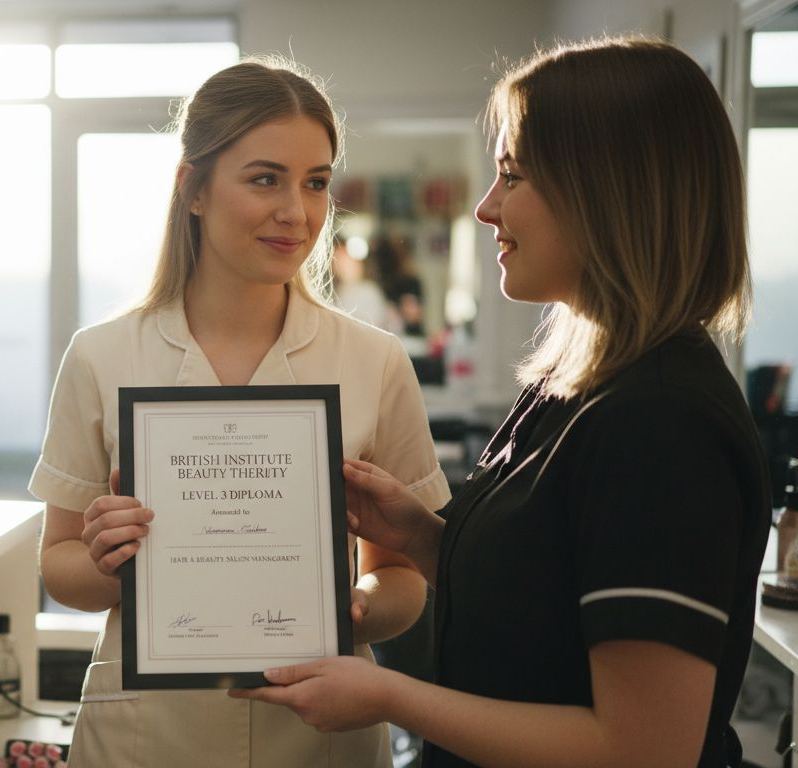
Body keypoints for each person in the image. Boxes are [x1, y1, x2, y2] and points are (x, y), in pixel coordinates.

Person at [230, 37, 769, 768]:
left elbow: (642, 749)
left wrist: (390, 697)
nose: (486, 208)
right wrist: (422, 537)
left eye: (512, 176)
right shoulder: (579, 387)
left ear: (609, 192)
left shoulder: (663, 425)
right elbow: (547, 603)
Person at [31, 56, 449, 767]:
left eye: (316, 182)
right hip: (148, 736)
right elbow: (58, 562)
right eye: (265, 179)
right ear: (193, 188)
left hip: (322, 733)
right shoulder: (101, 355)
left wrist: (354, 608)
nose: (297, 212)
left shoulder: (373, 361)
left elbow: (403, 576)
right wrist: (110, 564)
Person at [331, 232, 390, 329]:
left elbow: (374, 325)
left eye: (345, 260)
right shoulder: (338, 291)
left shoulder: (369, 291)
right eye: (337, 260)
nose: (340, 265)